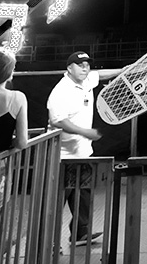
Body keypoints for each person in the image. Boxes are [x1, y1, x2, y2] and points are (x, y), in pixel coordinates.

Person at [47, 51, 117, 247]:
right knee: (60, 197)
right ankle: (48, 241)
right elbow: (59, 121)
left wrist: (124, 70)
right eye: (80, 65)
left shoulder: (86, 81)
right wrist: (85, 132)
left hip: (83, 152)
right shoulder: (61, 91)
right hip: (63, 155)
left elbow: (100, 75)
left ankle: (81, 233)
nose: (85, 68)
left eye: (87, 65)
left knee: (84, 192)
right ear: (69, 68)